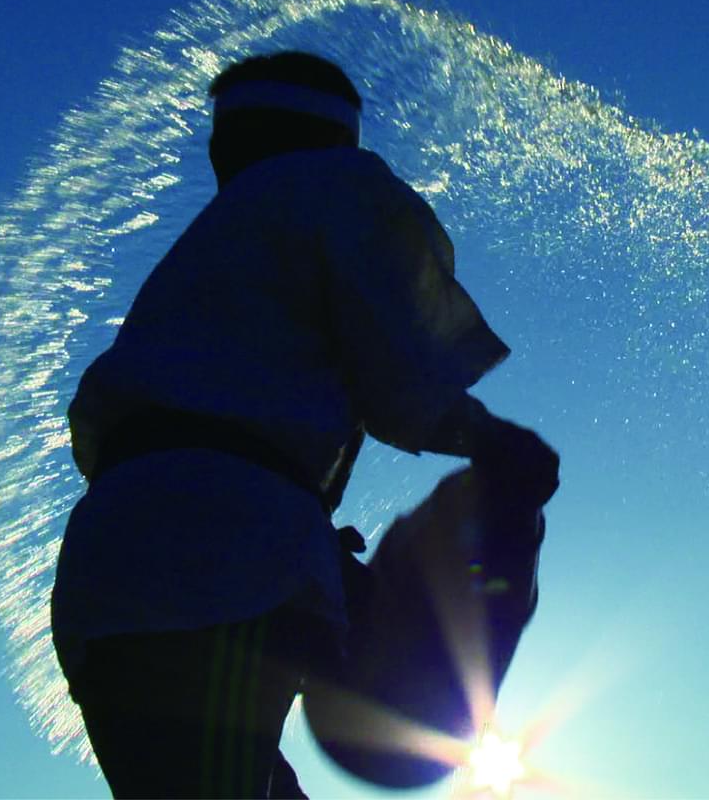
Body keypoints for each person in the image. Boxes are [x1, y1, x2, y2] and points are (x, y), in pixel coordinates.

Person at [50, 51, 559, 798]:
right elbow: (400, 376)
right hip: (215, 563)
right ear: (338, 136)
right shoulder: (334, 186)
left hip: (120, 574)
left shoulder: (211, 260)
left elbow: (177, 436)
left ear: (227, 147)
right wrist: (494, 444)